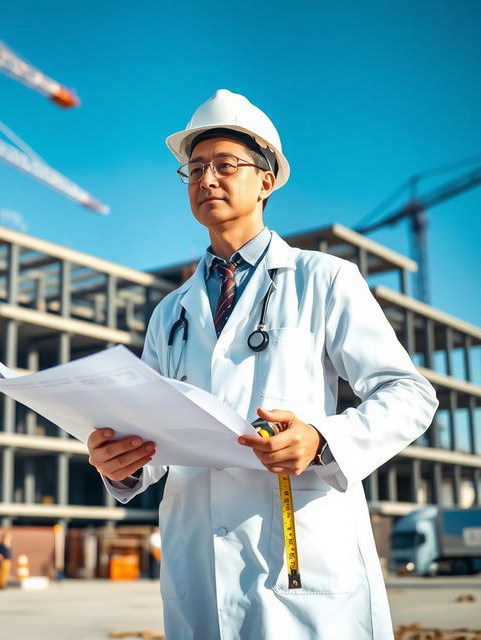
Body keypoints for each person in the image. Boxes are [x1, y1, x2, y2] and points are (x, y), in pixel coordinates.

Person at [86, 89, 438, 639]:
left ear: (267, 180)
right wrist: (122, 462)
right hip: (198, 566)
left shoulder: (324, 279)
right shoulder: (170, 313)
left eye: (226, 165)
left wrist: (321, 439)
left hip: (299, 561)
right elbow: (154, 443)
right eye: (194, 168)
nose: (206, 180)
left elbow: (410, 393)